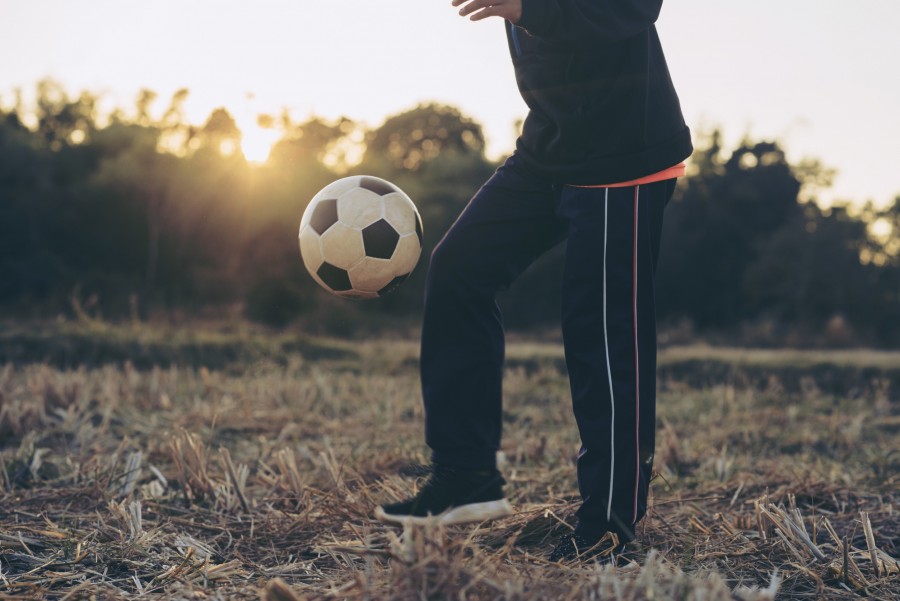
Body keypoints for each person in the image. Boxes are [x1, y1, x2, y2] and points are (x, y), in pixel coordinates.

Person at [375, 0, 692, 563]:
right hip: (549, 152)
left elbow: (636, 9)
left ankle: (609, 525)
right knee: (459, 270)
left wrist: (527, 8)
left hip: (625, 157)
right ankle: (467, 473)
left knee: (600, 335)